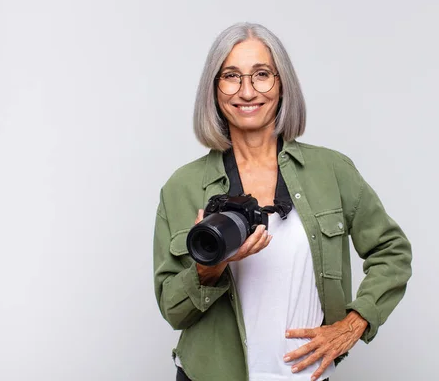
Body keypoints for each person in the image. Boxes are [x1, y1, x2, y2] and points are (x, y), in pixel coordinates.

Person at [153, 22, 412, 381]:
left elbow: (392, 251)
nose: (247, 91)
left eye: (261, 74)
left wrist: (353, 326)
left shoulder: (330, 170)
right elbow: (173, 310)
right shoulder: (182, 187)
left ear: (282, 83)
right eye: (231, 76)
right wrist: (209, 268)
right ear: (214, 90)